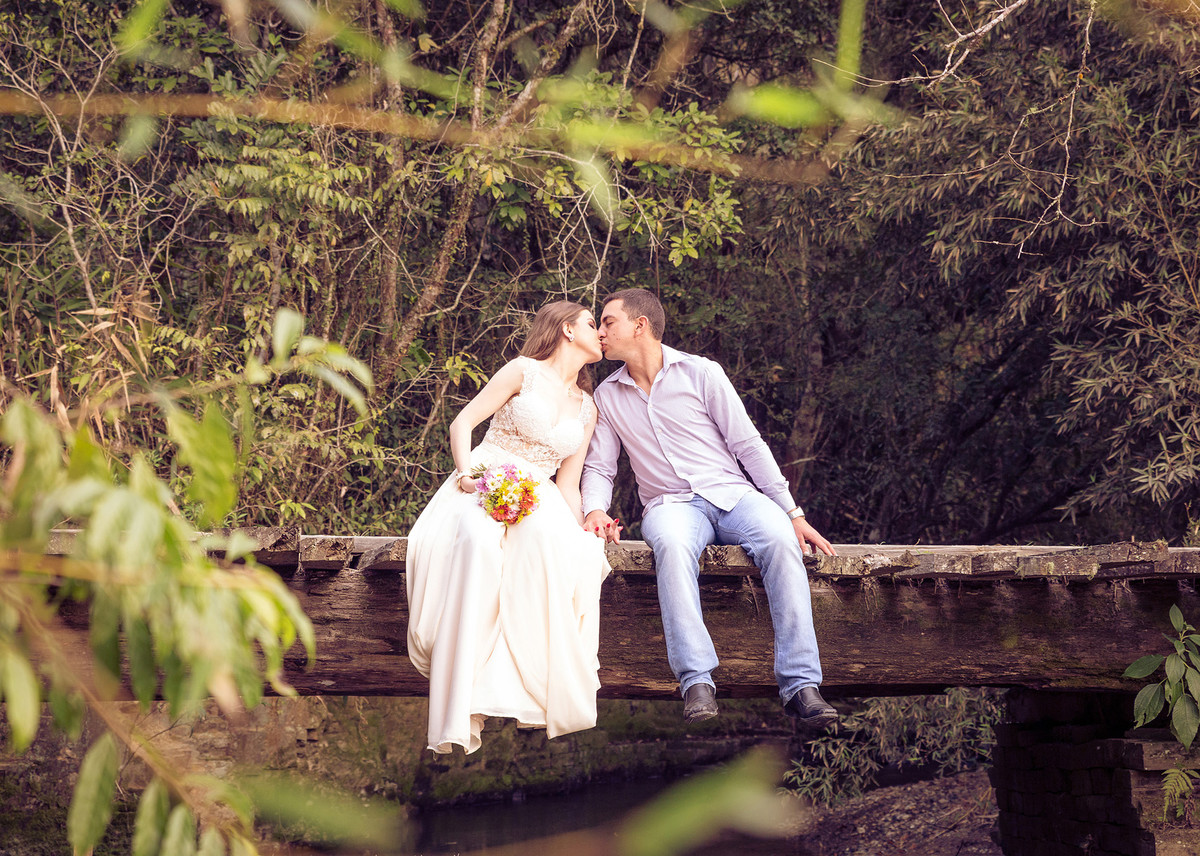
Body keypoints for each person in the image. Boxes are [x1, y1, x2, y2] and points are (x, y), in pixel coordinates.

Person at [580, 288, 839, 728]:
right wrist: (593, 510)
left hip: (733, 495)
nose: (600, 332)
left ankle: (801, 686)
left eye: (608, 322)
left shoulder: (701, 373)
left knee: (779, 539)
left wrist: (792, 513)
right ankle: (696, 680)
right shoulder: (607, 396)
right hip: (669, 506)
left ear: (640, 325)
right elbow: (601, 467)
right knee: (671, 546)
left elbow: (748, 445)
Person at [406, 300, 610, 754]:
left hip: (541, 496)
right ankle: (462, 687)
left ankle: (527, 690)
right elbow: (464, 422)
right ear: (565, 330)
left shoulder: (588, 407)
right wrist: (466, 476)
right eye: (592, 324)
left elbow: (570, 483)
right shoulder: (522, 371)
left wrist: (579, 528)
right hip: (487, 476)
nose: (600, 333)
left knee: (555, 553)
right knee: (478, 544)